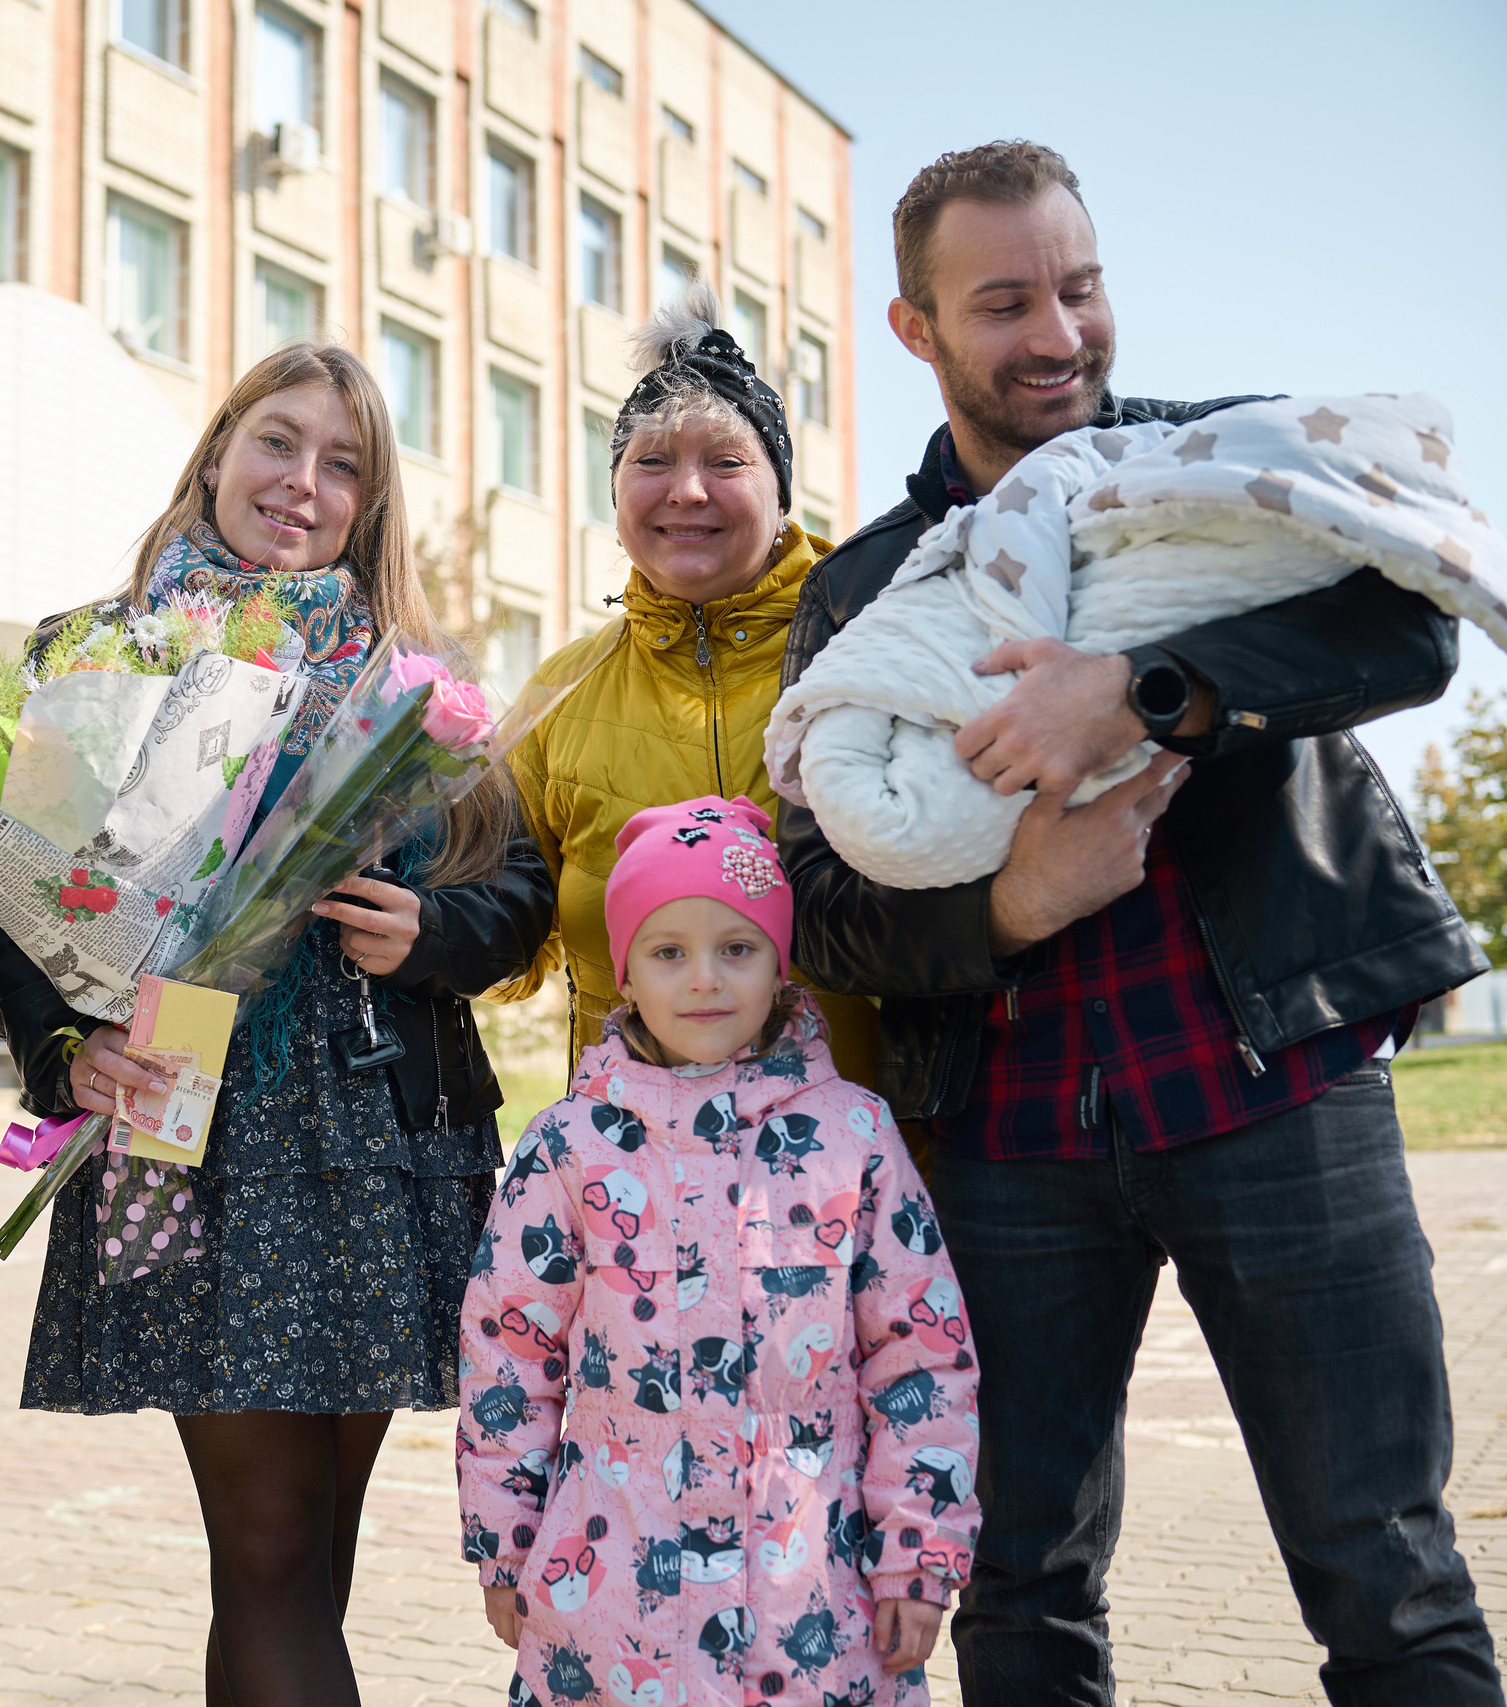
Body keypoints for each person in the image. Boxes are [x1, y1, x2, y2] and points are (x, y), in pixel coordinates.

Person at [778, 140, 1501, 1706]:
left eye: (1083, 285)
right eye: (1005, 301)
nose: (1060, 332)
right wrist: (1013, 900)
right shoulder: (863, 594)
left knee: (1391, 1574)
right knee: (1019, 1580)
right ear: (917, 330)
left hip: (1277, 1089)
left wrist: (1148, 689)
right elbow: (825, 914)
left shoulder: (1222, 466)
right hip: (1005, 1140)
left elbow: (1407, 619)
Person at [0, 342, 555, 1707]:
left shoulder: (418, 686)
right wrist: (62, 1046)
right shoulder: (91, 653)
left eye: (343, 463)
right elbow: (4, 893)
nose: (304, 481)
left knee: (300, 1565)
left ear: (371, 501)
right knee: (272, 1552)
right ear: (220, 447)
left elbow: (518, 892)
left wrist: (430, 935)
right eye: (279, 442)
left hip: (387, 1143)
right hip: (191, 1136)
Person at [458, 796, 980, 1707]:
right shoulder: (571, 1147)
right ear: (625, 974)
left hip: (815, 1595)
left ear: (780, 964)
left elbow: (920, 1357)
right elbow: (510, 1352)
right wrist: (504, 1539)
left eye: (736, 948)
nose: (705, 979)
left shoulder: (851, 1135)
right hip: (614, 1590)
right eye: (669, 951)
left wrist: (918, 1552)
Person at [499, 282, 878, 1088]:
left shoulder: (870, 653)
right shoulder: (559, 697)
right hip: (625, 1175)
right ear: (615, 492)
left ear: (781, 496)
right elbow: (503, 949)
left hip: (850, 1175)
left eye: (726, 461)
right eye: (653, 462)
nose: (688, 490)